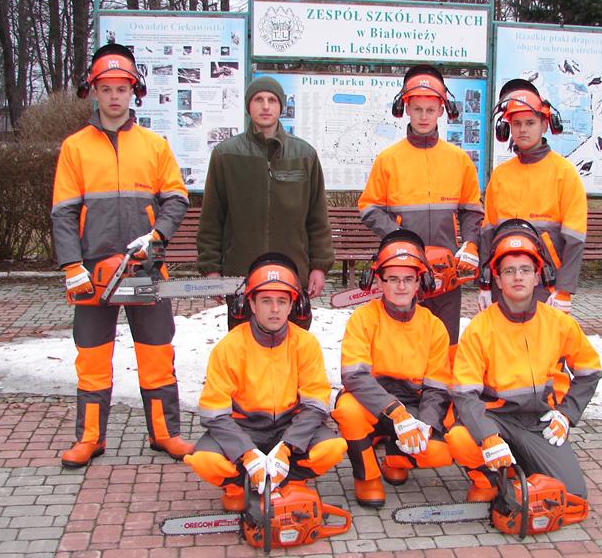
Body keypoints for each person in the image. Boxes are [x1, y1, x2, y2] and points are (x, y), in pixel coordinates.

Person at [52, 43, 193, 467]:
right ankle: (90, 438)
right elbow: (63, 211)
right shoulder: (75, 147)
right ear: (93, 92)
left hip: (143, 267)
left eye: (122, 88)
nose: (114, 96)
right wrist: (71, 265)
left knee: (156, 352)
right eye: (107, 88)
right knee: (92, 356)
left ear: (134, 91)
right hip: (93, 270)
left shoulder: (154, 145)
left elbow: (176, 199)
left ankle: (165, 433)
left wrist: (157, 236)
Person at [446, 219, 601, 502]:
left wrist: (566, 414)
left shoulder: (559, 323)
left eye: (525, 270)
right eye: (509, 271)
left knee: (572, 495)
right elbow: (465, 393)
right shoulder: (480, 328)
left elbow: (590, 371)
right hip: (495, 418)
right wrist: (487, 435)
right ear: (497, 279)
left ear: (537, 276)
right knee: (460, 438)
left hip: (539, 420)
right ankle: (488, 479)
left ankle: (521, 465)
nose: (517, 277)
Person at [183, 253, 347, 511]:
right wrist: (246, 452)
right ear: (251, 303)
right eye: (266, 301)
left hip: (290, 426)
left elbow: (316, 405)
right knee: (204, 459)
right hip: (243, 427)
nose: (275, 309)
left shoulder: (305, 343)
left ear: (293, 305)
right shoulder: (230, 346)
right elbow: (214, 412)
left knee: (332, 447)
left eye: (282, 301)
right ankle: (238, 486)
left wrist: (287, 447)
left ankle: (290, 481)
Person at [358, 65, 483, 356]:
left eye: (430, 110)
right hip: (404, 268)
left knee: (446, 341)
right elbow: (369, 207)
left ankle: (444, 383)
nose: (424, 116)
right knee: (405, 341)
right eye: (417, 109)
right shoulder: (389, 159)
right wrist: (400, 237)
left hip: (447, 268)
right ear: (406, 109)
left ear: (441, 110)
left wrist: (470, 244)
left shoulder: (459, 160)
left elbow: (472, 210)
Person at [197, 76, 334, 330]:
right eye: (258, 99)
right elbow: (212, 218)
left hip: (293, 274)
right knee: (244, 346)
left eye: (272, 100)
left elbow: (317, 218)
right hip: (241, 275)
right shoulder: (225, 155)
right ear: (248, 106)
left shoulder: (305, 155)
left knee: (293, 346)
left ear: (281, 106)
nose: (266, 106)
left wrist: (319, 267)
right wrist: (211, 268)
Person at [332, 230, 452, 507]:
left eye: (408, 279)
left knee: (440, 452)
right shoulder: (363, 318)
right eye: (393, 279)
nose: (401, 286)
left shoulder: (433, 326)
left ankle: (396, 459)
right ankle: (368, 477)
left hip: (413, 403)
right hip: (372, 401)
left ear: (419, 282)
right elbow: (355, 376)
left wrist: (426, 424)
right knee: (348, 410)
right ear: (379, 282)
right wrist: (396, 414)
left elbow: (437, 386)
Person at [479, 79, 587, 314]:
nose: (522, 130)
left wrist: (564, 289)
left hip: (546, 284)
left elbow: (575, 237)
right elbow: (487, 235)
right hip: (503, 281)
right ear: (507, 128)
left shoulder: (563, 173)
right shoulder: (501, 175)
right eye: (516, 123)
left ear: (545, 125)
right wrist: (485, 284)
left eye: (530, 123)